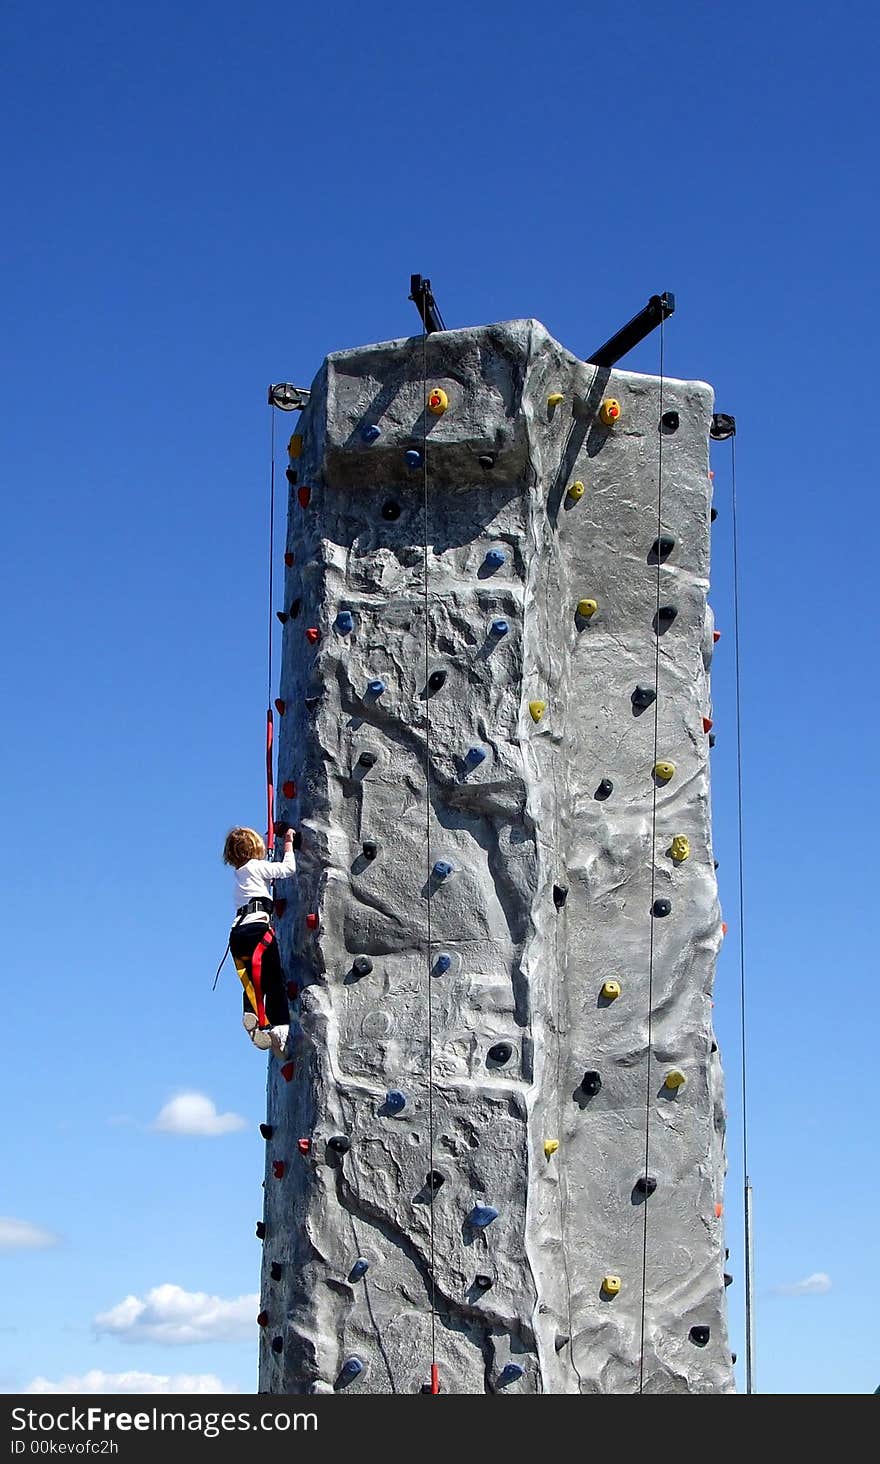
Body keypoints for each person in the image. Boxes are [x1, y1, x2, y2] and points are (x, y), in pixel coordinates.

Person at [222, 825, 296, 1056]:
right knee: (274, 979)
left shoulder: (239, 875)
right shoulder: (257, 867)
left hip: (237, 934)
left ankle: (251, 1010)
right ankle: (280, 1028)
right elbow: (288, 869)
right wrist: (288, 843)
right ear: (255, 849)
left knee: (254, 980)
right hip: (257, 930)